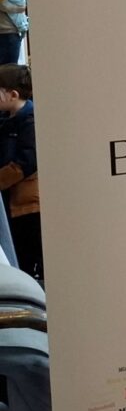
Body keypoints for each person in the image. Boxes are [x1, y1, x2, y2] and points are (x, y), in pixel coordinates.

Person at [0, 65, 38, 279]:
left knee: (25, 258)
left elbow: (26, 163)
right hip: (12, 201)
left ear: (13, 95)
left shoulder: (31, 121)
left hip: (26, 206)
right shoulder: (7, 120)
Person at [0, 0, 27, 65]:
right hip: (9, 32)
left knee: (9, 70)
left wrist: (3, 2)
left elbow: (22, 6)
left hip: (8, 33)